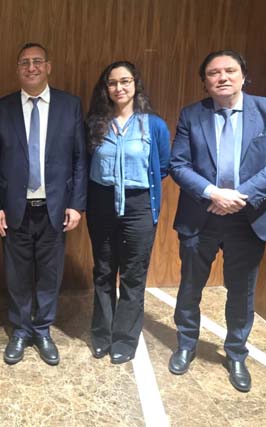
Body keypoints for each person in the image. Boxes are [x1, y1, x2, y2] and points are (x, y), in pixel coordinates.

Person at [168, 50, 266, 392]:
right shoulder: (192, 114)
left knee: (242, 290)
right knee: (190, 286)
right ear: (204, 81)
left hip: (249, 217)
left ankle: (236, 353)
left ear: (243, 75)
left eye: (230, 70)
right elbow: (178, 164)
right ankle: (186, 344)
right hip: (202, 215)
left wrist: (238, 197)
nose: (222, 77)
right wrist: (214, 194)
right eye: (213, 73)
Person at [0, 43, 87, 366]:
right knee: (16, 275)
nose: (31, 67)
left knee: (49, 274)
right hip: (14, 209)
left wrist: (77, 205)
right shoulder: (1, 109)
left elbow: (80, 159)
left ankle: (42, 330)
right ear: (17, 69)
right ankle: (20, 330)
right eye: (25, 63)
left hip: (55, 209)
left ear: (48, 66)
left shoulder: (70, 106)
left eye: (37, 61)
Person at [85, 61, 171, 364]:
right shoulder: (95, 124)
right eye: (112, 83)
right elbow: (84, 163)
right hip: (101, 203)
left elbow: (163, 166)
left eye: (125, 81)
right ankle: (102, 334)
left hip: (139, 206)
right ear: (105, 88)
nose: (119, 88)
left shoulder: (154, 125)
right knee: (103, 271)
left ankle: (124, 339)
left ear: (136, 84)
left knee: (133, 275)